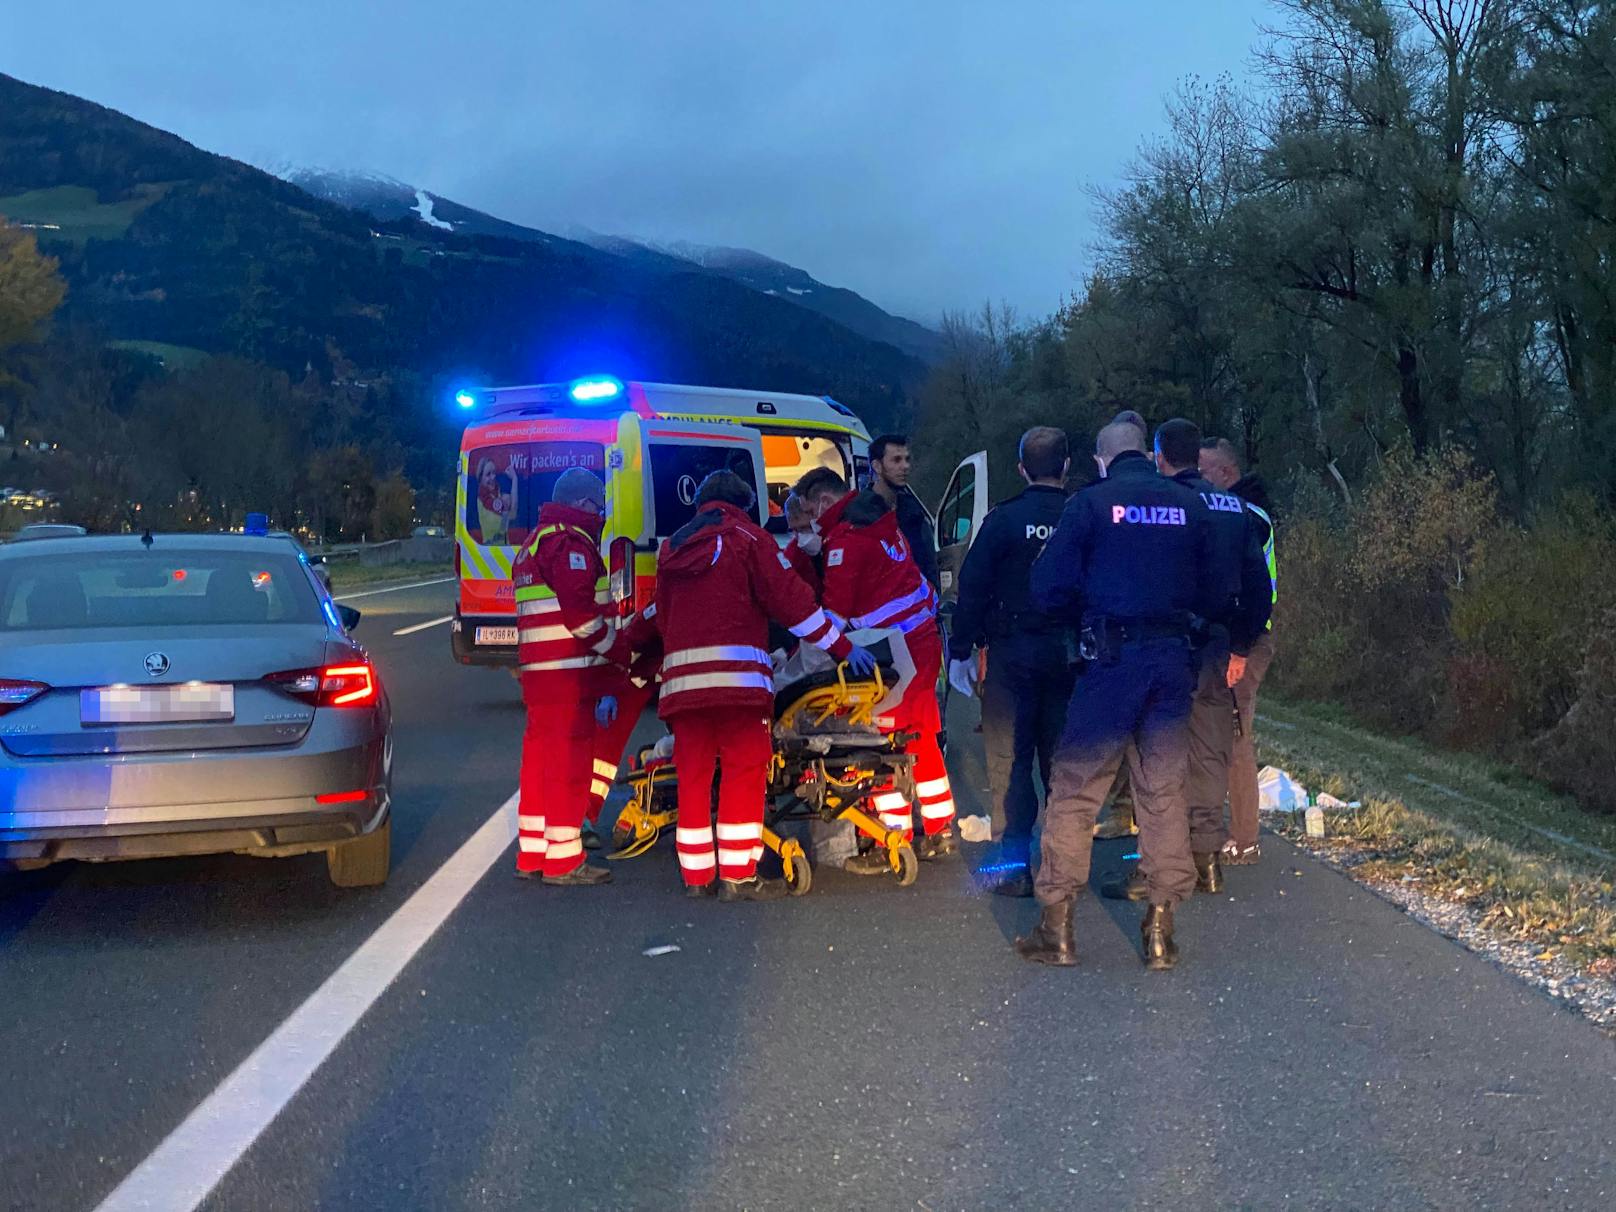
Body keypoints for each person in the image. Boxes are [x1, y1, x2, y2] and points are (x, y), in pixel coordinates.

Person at [1016, 419, 1221, 970]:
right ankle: (1161, 930)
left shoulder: (1089, 504)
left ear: (1102, 460)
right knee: (1162, 791)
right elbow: (1218, 587)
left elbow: (1046, 588)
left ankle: (1056, 927)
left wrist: (1090, 599)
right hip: (1172, 661)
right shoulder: (1188, 505)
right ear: (1149, 456)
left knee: (1077, 789)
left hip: (1110, 662)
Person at [627, 470, 876, 901]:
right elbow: (793, 604)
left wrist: (630, 659)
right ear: (743, 505)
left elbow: (660, 618)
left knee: (693, 777)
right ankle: (739, 875)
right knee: (744, 773)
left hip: (684, 689)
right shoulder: (750, 539)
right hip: (738, 686)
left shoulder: (672, 549)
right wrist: (841, 647)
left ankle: (697, 877)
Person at [1103, 419, 1271, 900]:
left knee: (1157, 755)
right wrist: (1241, 646)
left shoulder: (1158, 505)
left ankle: (1157, 866)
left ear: (1159, 456)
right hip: (1220, 646)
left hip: (1167, 642)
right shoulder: (1236, 507)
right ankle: (1207, 857)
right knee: (1210, 751)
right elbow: (1260, 589)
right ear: (1198, 456)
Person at [945, 426, 1074, 898]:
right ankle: (1062, 865)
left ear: (1022, 468)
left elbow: (973, 586)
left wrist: (961, 646)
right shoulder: (1081, 515)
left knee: (1010, 762)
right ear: (1066, 466)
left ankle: (1016, 866)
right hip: (1069, 657)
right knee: (1062, 765)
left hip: (1012, 657)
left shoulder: (1003, 520)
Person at [819, 484, 957, 864]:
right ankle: (939, 826)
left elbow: (834, 615)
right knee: (919, 732)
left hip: (891, 651)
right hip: (921, 639)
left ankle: (891, 836)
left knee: (881, 737)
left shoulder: (846, 542)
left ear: (823, 502)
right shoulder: (883, 525)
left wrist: (808, 647)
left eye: (804, 512)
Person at [511, 467, 623, 886]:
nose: (602, 515)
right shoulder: (569, 543)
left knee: (540, 764)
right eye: (599, 506)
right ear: (583, 504)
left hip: (541, 677)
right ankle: (563, 861)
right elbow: (580, 617)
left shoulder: (533, 544)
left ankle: (534, 853)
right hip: (568, 674)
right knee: (568, 766)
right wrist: (618, 649)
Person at [1200, 436, 1277, 865]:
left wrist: (1241, 646)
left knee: (1236, 734)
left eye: (1204, 469)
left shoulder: (1249, 517)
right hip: (1234, 638)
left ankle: (1245, 838)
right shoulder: (1237, 511)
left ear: (1226, 474)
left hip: (1248, 640)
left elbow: (1249, 589)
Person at [867, 435, 939, 590]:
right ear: (877, 466)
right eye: (896, 460)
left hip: (919, 607)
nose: (905, 466)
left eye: (907, 459)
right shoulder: (861, 515)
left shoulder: (914, 512)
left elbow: (929, 565)